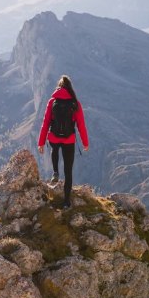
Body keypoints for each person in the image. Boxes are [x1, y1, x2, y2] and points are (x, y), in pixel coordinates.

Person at [37, 75, 89, 208]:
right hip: (69, 139)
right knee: (68, 171)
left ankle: (55, 171)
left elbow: (46, 123)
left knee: (54, 149)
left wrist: (41, 142)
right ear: (70, 88)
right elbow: (81, 125)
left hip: (54, 137)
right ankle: (66, 202)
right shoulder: (75, 104)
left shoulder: (52, 101)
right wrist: (85, 142)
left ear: (59, 87)